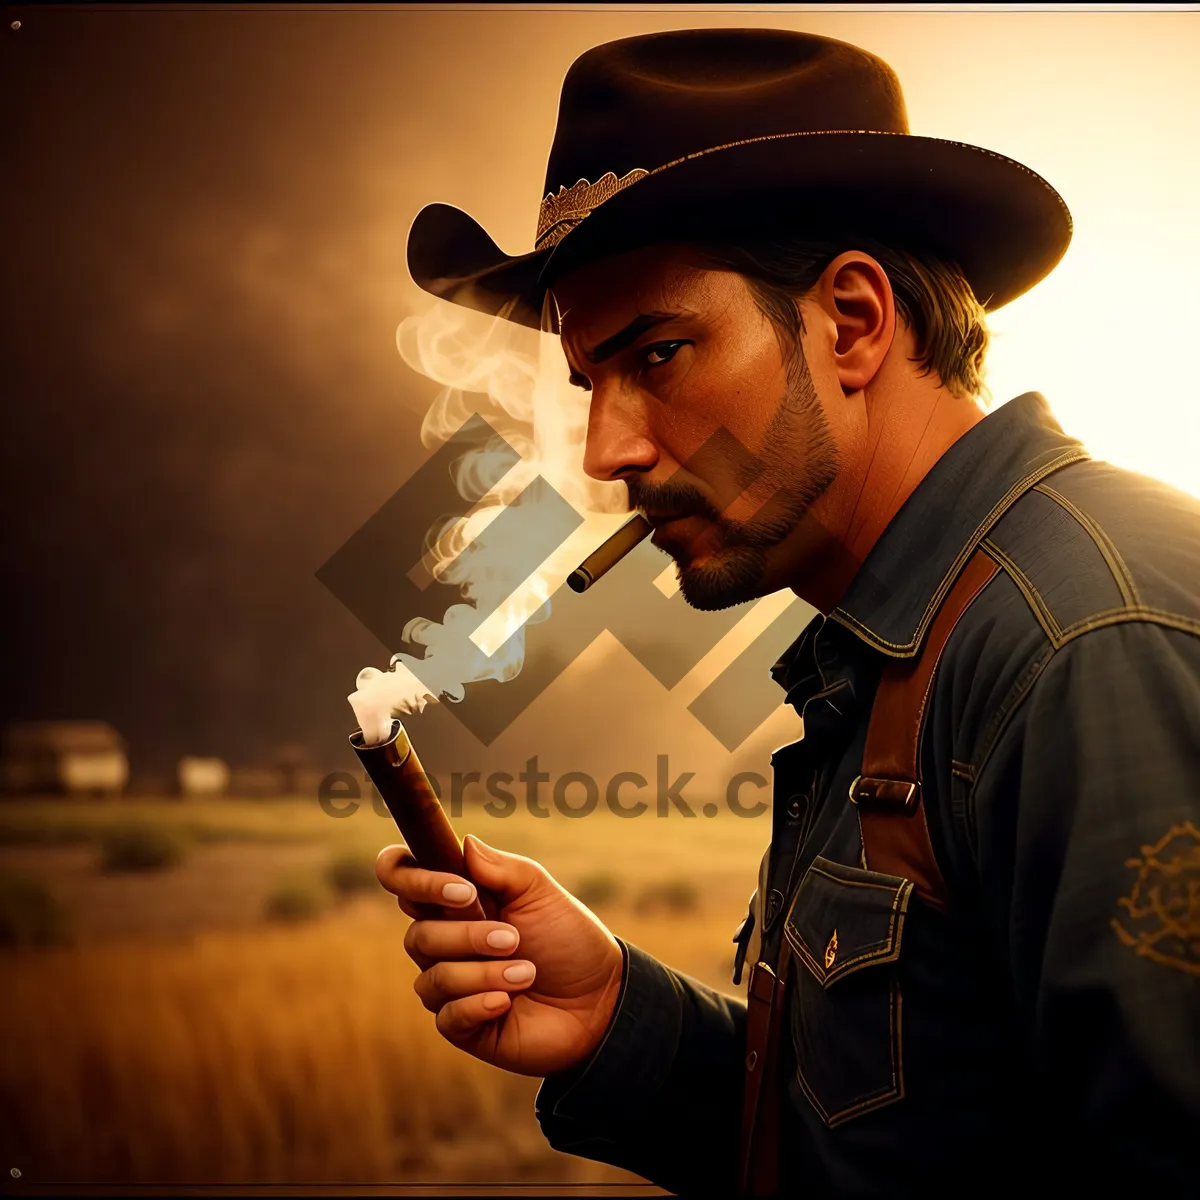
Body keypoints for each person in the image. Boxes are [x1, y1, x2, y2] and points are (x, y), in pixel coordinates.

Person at [376, 28, 1200, 1194]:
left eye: (656, 354)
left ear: (853, 321)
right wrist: (618, 1014)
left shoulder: (1082, 645)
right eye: (588, 383)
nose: (607, 450)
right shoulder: (910, 645)